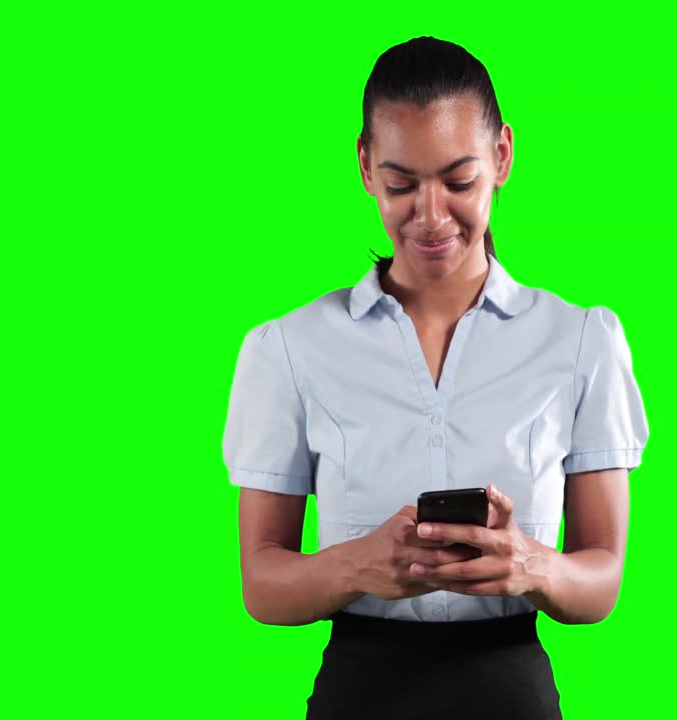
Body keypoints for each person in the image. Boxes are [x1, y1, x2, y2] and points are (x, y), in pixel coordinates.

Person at [222, 36, 649, 719]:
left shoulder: (580, 341)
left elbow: (600, 581)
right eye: (400, 185)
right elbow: (263, 584)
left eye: (459, 181)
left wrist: (527, 565)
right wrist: (360, 565)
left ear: (502, 156)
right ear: (365, 166)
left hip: (513, 693)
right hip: (358, 694)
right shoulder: (289, 349)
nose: (429, 217)